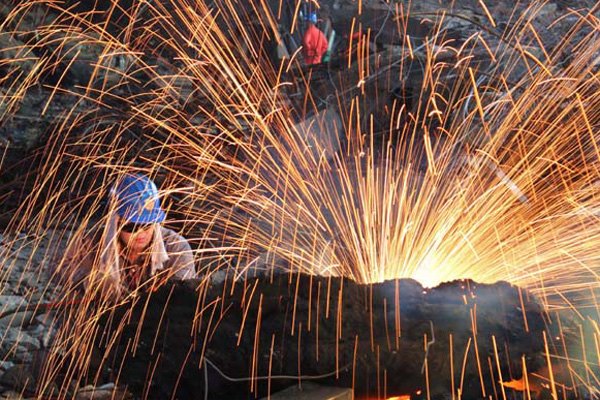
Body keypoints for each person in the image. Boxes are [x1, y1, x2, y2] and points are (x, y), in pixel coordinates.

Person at [59, 173, 196, 300]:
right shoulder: (90, 243)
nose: (141, 232)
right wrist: (90, 280)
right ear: (115, 222)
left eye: (147, 224)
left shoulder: (177, 247)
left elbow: (184, 297)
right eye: (132, 227)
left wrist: (164, 293)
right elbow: (58, 267)